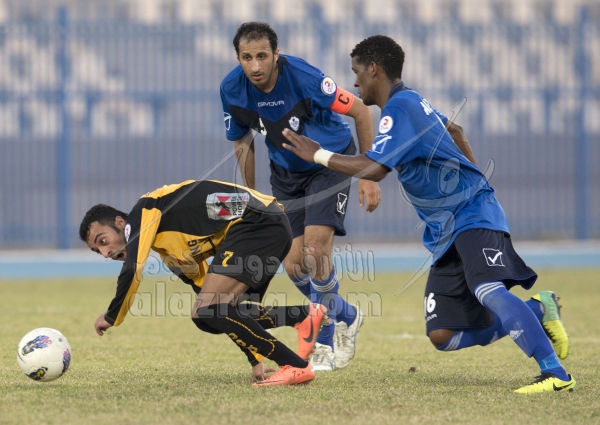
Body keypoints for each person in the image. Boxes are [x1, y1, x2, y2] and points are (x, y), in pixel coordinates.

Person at [281, 35, 575, 393]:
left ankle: (556, 374)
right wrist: (472, 176)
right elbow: (456, 130)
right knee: (442, 334)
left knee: (488, 289)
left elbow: (375, 169)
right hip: (446, 231)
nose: (355, 83)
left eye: (357, 73)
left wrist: (318, 154)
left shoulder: (399, 108)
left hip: (470, 216)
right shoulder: (411, 102)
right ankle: (538, 310)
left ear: (374, 70)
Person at [220, 22, 381, 370]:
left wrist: (368, 174)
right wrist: (252, 196)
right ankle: (346, 315)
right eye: (247, 58)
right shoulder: (231, 89)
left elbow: (361, 111)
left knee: (315, 250)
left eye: (262, 56)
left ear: (276, 55)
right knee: (293, 264)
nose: (256, 66)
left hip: (328, 161)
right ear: (238, 58)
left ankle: (324, 343)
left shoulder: (305, 78)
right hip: (286, 173)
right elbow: (242, 142)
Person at [79, 179, 329, 387]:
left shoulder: (144, 210)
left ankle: (294, 365)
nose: (105, 253)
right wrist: (255, 359)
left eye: (103, 241)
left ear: (120, 223)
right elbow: (219, 308)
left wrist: (113, 316)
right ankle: (301, 316)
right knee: (207, 316)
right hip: (266, 228)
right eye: (97, 250)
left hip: (259, 222)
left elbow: (133, 268)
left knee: (208, 309)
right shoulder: (171, 253)